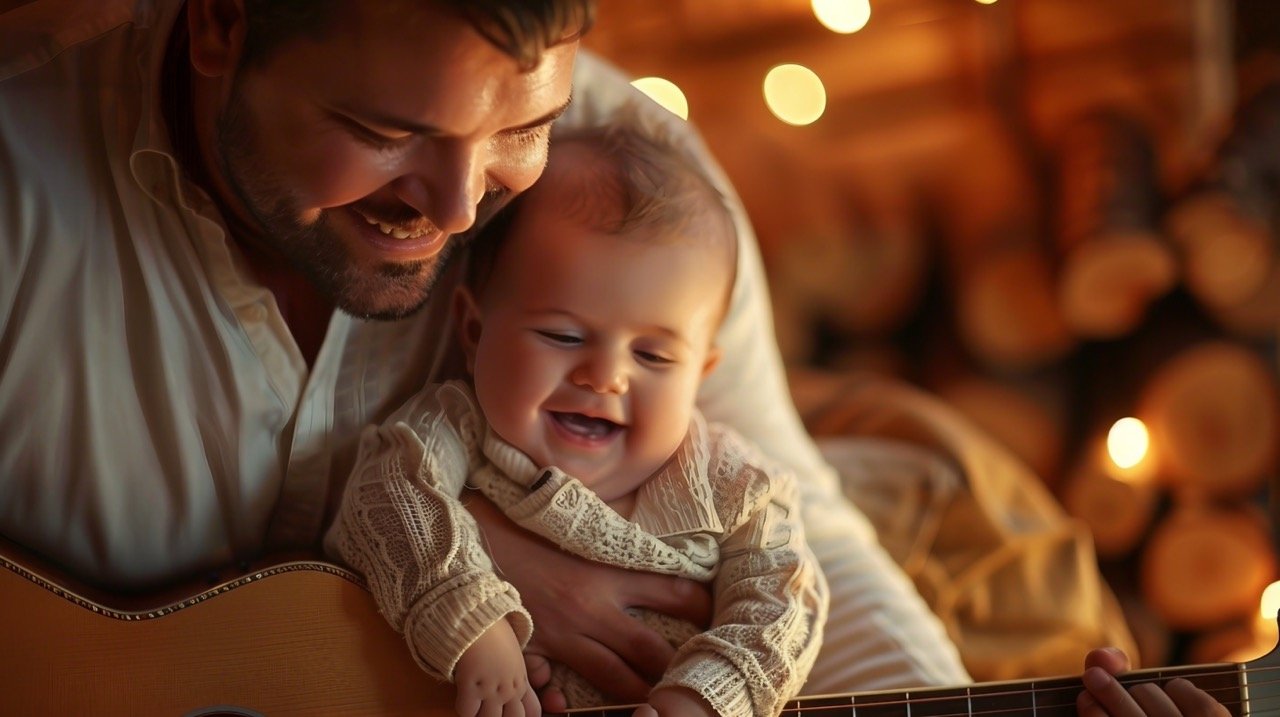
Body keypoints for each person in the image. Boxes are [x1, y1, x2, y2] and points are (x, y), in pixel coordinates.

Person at [0, 1, 1228, 715]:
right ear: (219, 24)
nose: (458, 203)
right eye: (382, 135)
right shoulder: (21, 187)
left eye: (517, 128)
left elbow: (803, 544)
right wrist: (452, 562)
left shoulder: (627, 175)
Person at [325, 116, 826, 717]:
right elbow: (383, 498)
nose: (605, 376)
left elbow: (785, 606)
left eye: (652, 354)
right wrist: (478, 629)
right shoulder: (460, 428)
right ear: (474, 330)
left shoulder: (736, 486)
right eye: (563, 336)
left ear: (700, 374)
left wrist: (704, 698)